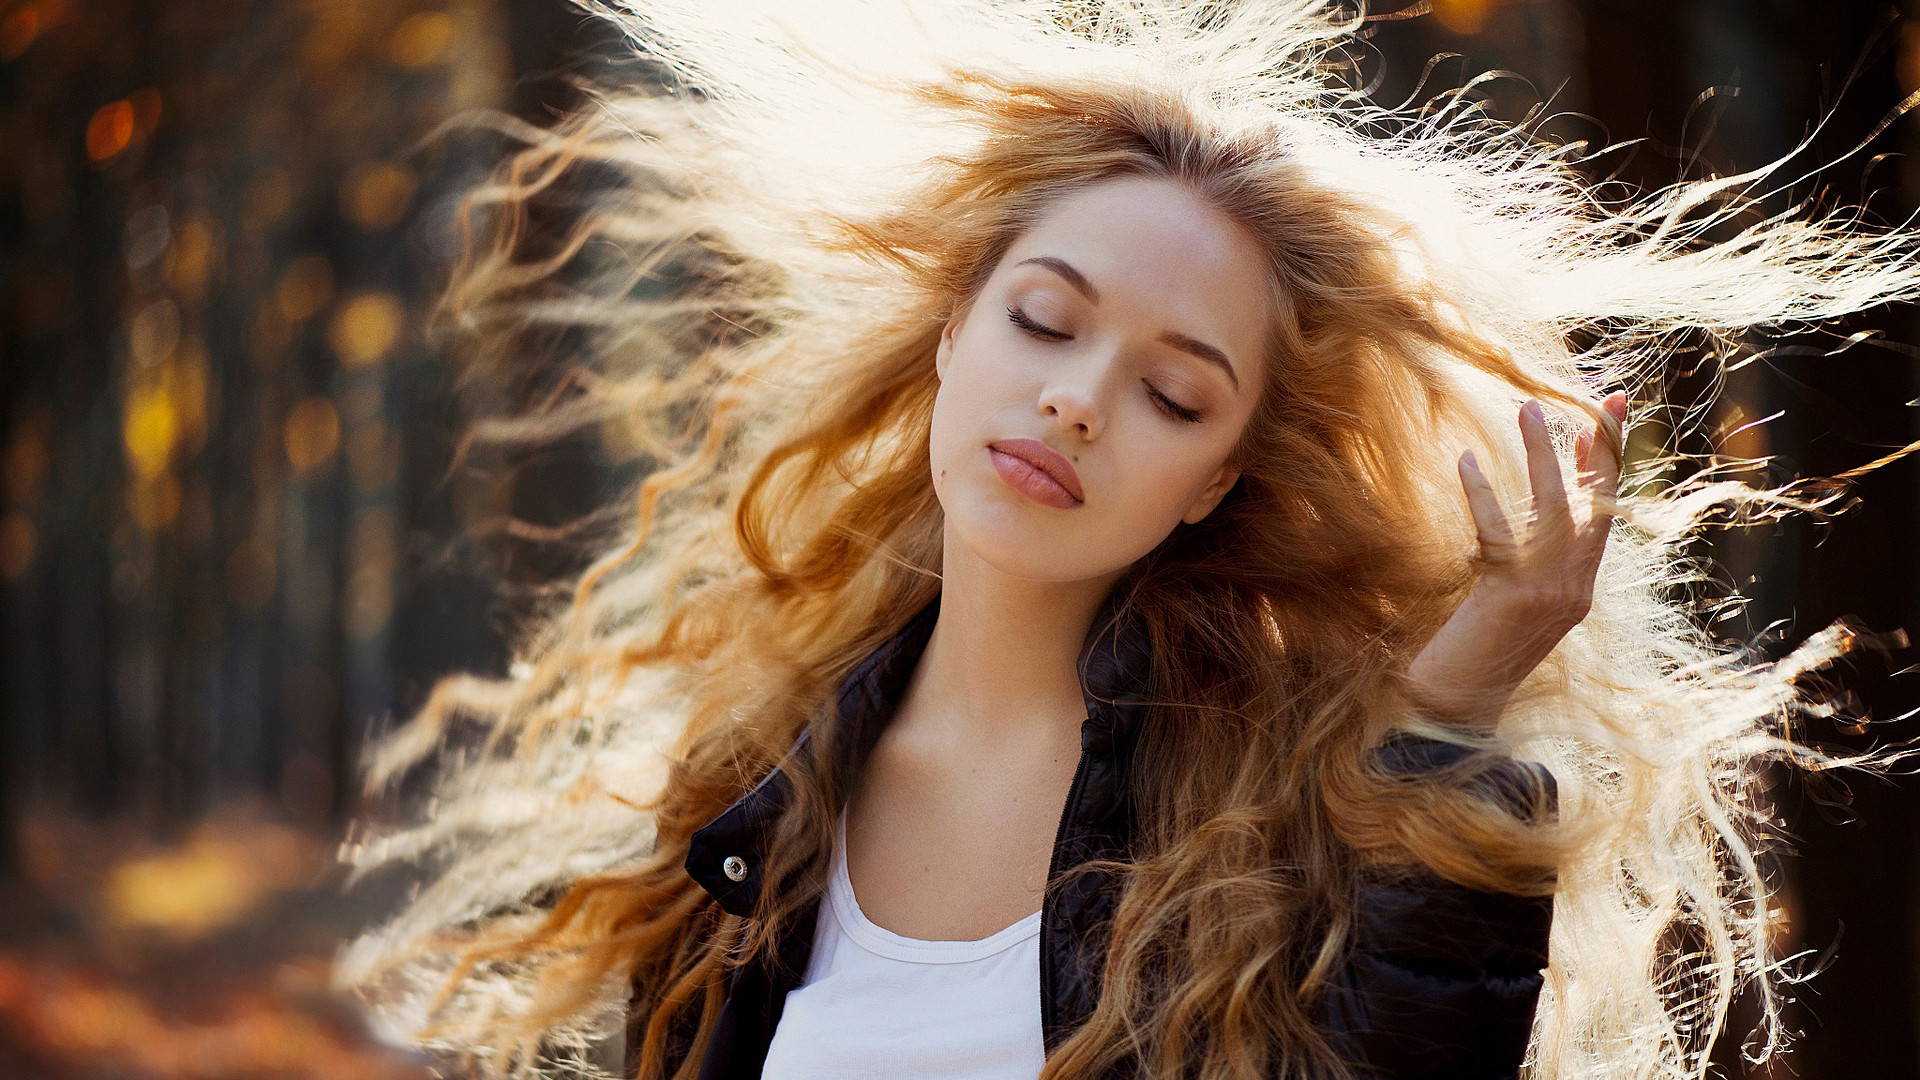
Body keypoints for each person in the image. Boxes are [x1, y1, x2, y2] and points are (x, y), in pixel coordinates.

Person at [329, 2, 1920, 1079]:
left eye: (1173, 392)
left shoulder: (1280, 828)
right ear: (954, 339)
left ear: (1217, 481)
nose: (1080, 401)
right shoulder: (752, 800)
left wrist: (1457, 707)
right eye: (1042, 320)